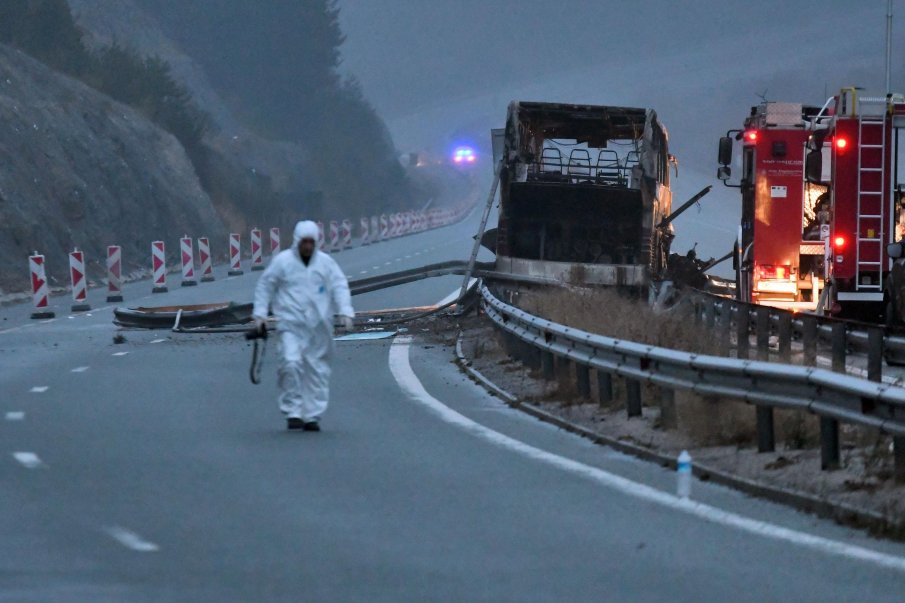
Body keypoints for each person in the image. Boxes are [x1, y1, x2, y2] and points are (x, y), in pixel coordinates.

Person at [252, 220, 354, 431]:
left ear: (315, 242)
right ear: (297, 241)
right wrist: (260, 314)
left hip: (319, 327)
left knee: (316, 370)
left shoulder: (325, 263)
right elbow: (265, 286)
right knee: (290, 363)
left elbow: (339, 285)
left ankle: (312, 415)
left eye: (311, 242)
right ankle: (293, 411)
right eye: (304, 242)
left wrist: (345, 311)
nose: (307, 246)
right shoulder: (283, 262)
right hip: (290, 324)